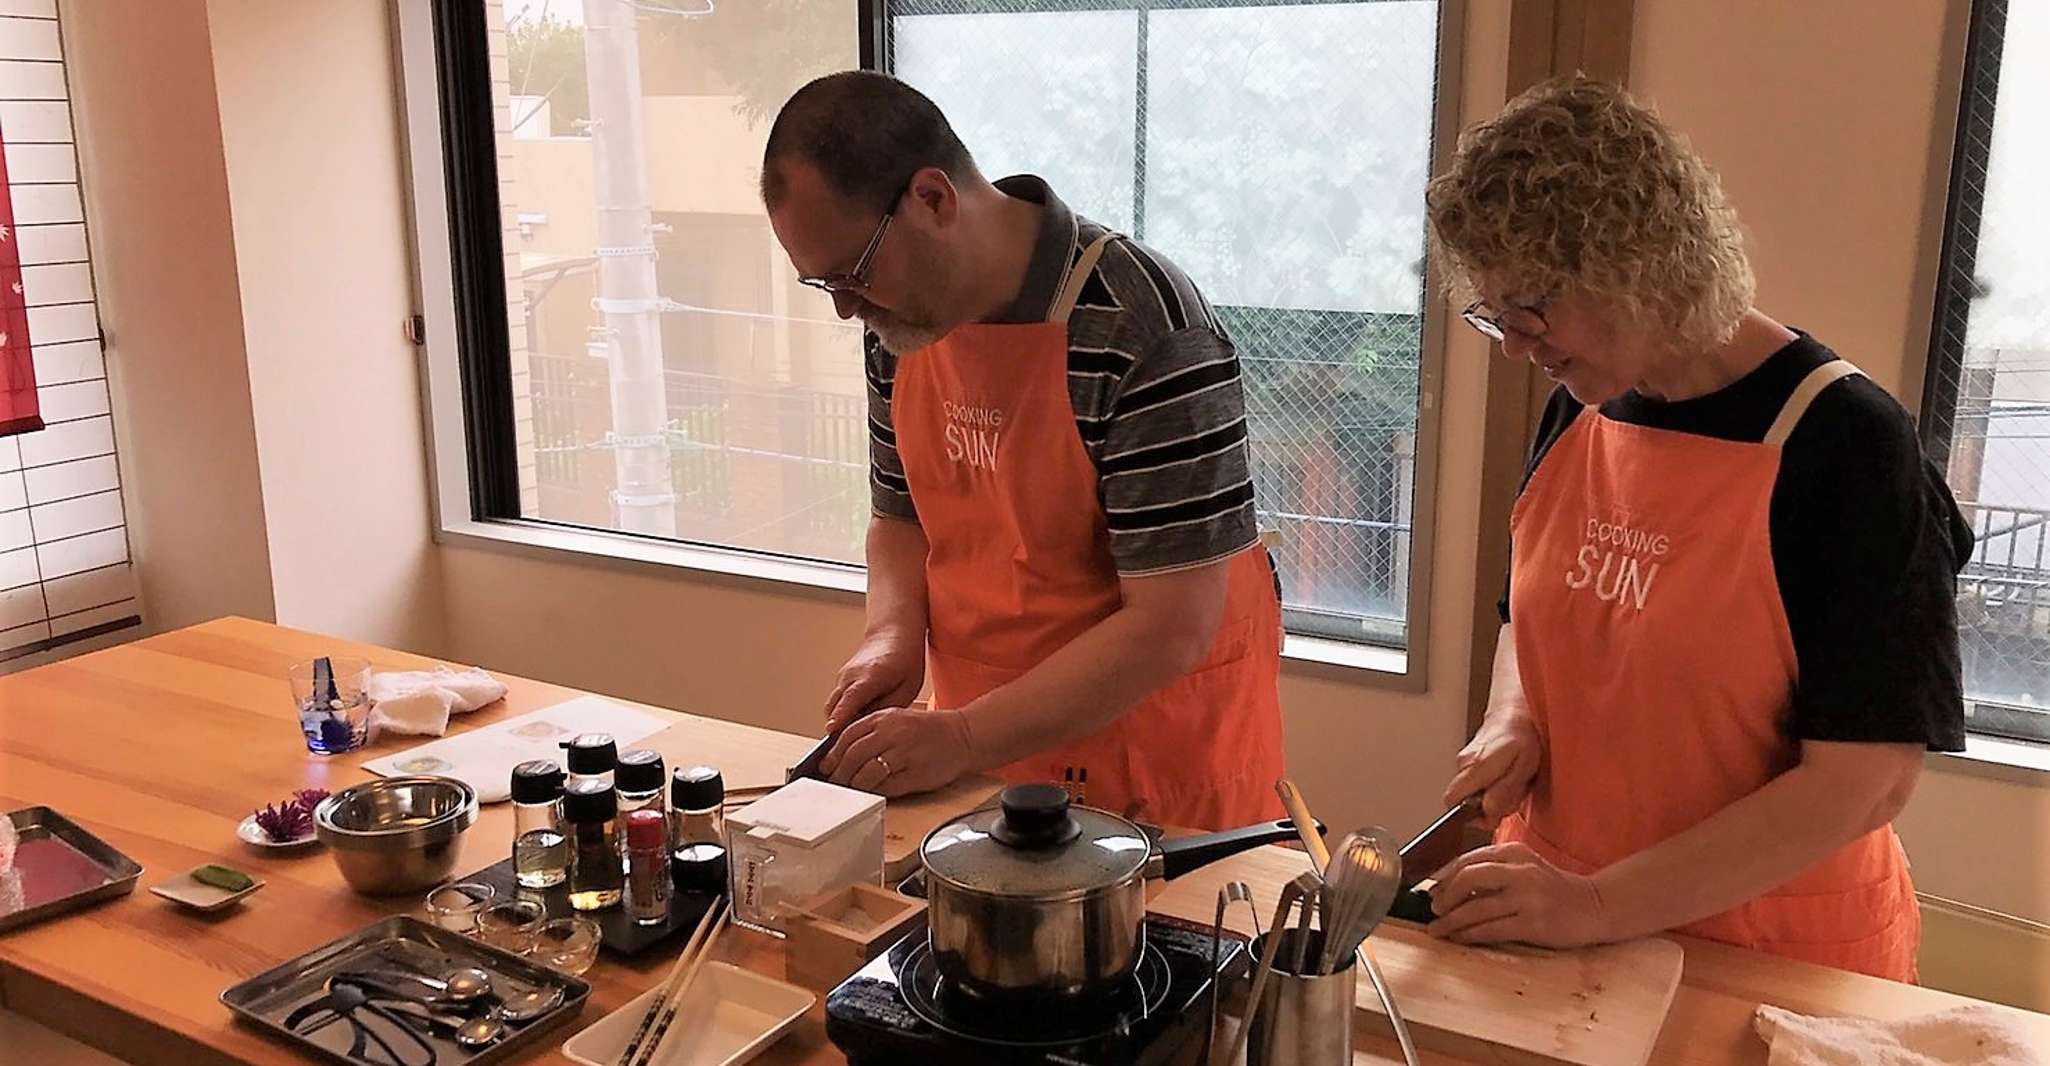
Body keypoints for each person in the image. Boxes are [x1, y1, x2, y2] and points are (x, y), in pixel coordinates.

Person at [1421, 77, 1971, 982]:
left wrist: (1600, 905)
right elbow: (1526, 611)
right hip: (1564, 909)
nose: (1516, 345)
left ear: (1632, 261)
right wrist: (1514, 714)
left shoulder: (1844, 445)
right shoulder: (1583, 404)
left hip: (1768, 948)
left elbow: (1865, 780)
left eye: (1531, 309)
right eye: (1495, 315)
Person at [757, 71, 1285, 828]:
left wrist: (966, 733)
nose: (846, 307)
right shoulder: (900, 324)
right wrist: (892, 637)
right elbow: (899, 518)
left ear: (933, 199)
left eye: (853, 273)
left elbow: (1170, 624)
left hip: (1154, 769)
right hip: (979, 761)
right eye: (824, 284)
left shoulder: (1142, 326)